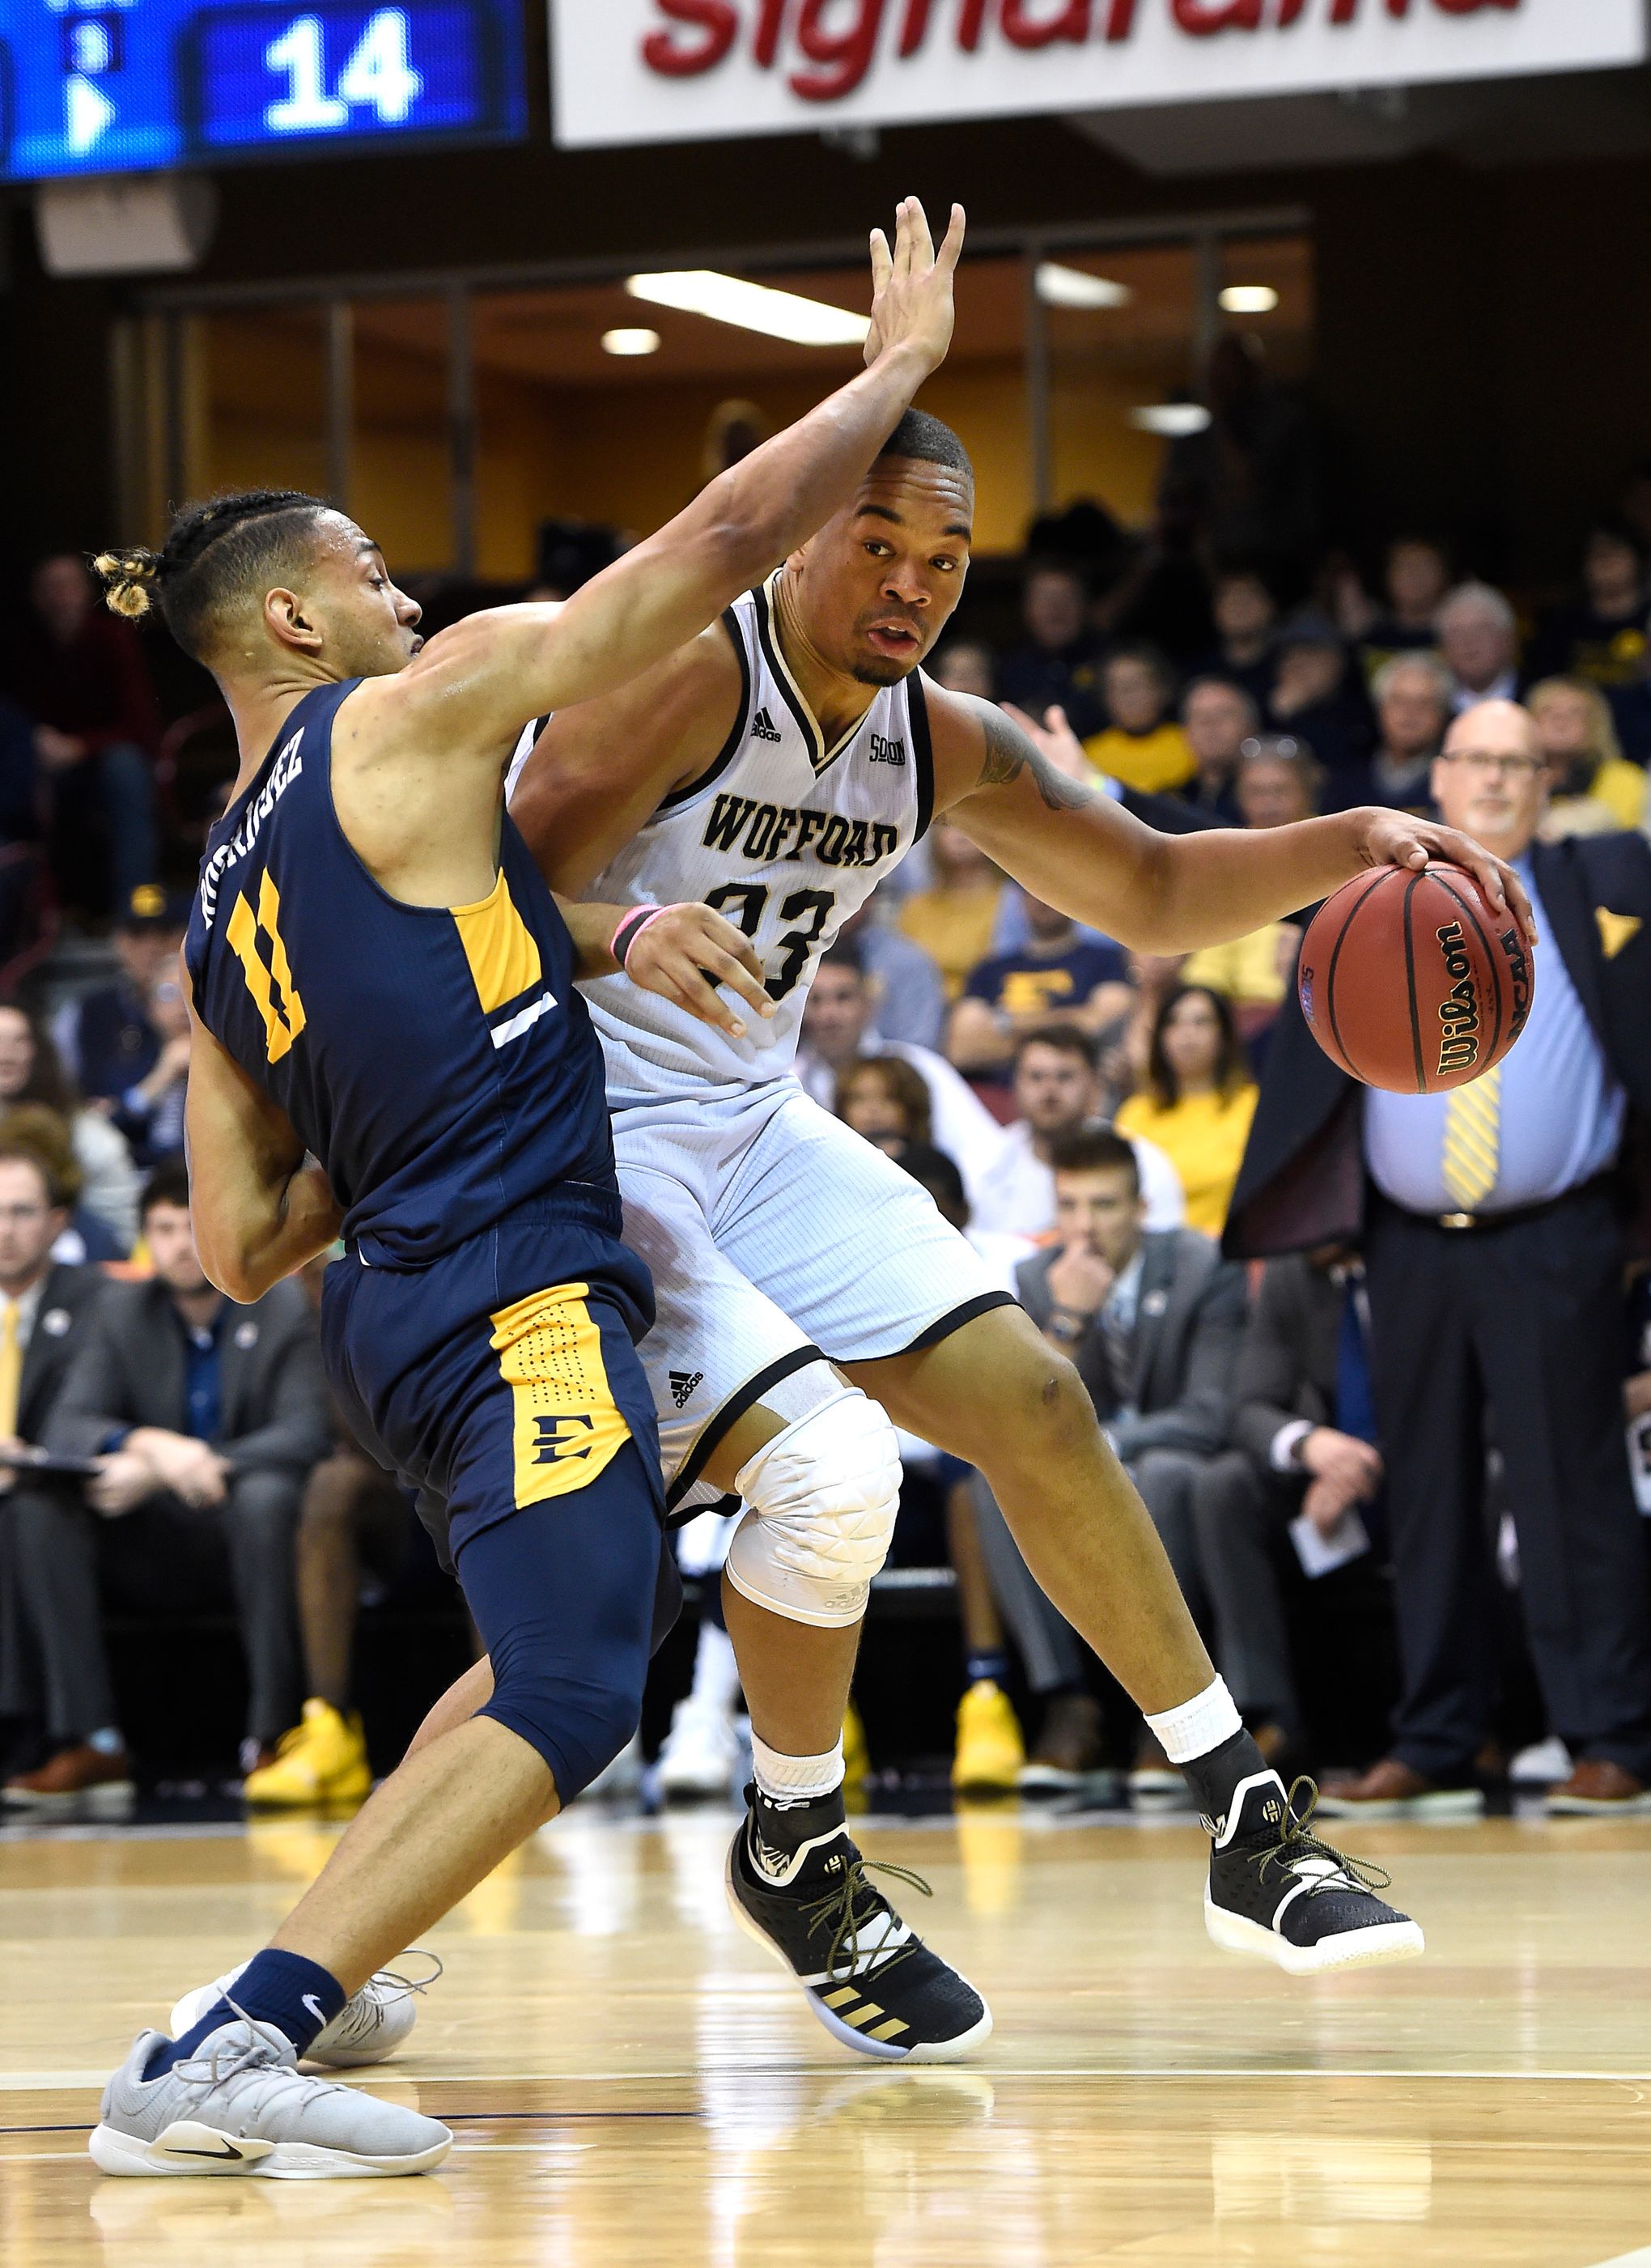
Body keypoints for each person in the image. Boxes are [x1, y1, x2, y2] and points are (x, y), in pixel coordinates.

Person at [87, 196, 974, 2174]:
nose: (408, 598)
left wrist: (579, 950)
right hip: (511, 1285)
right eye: (375, 574)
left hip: (390, 1312)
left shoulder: (222, 914)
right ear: (297, 624)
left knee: (529, 1652)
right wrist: (891, 374)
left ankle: (326, 1966)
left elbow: (239, 1243)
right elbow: (713, 559)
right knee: (579, 1679)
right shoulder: (401, 716)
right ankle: (226, 2050)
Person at [503, 404, 1518, 1998]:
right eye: (882, 545)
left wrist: (1354, 840)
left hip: (755, 1122)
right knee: (596, 1625)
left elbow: (1157, 887)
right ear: (798, 537)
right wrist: (620, 937)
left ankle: (1247, 1822)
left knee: (1035, 1398)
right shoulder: (689, 675)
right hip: (589, 1141)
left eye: (949, 559)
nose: (914, 585)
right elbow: (470, 908)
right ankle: (436, 1925)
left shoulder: (942, 741)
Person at [1227, 699, 1651, 1820]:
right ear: (1440, 776)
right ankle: (1438, 1736)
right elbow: (1238, 861)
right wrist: (1114, 801)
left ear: (1546, 780)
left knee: (1577, 1493)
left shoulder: (1597, 875)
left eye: (1521, 761)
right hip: (1406, 1244)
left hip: (1558, 1237)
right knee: (1426, 1495)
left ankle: (1605, 1734)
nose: (1499, 779)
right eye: (1478, 760)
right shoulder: (1383, 889)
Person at [6, 1163, 329, 1801]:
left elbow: (305, 1431)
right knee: (37, 1509)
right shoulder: (119, 1310)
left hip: (243, 1518)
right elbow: (69, 1424)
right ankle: (94, 1742)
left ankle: (269, 1738)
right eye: (165, 1229)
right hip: (149, 1534)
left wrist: (210, 1462)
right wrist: (153, 1453)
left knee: (268, 1498)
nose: (183, 1243)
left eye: (193, 1226)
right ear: (146, 1240)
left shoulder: (282, 1304)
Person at [967, 1130, 1247, 1795]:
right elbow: (1020, 1415)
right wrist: (1067, 1319)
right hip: (1097, 1463)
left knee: (1162, 1476)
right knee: (992, 1483)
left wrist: (1108, 1449)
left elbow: (1210, 1414)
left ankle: (1172, 1712)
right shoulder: (1038, 1281)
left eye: (1104, 1206)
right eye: (1069, 1207)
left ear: (1141, 1209)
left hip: (1178, 1463)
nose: (1085, 1227)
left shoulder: (1205, 1266)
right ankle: (1070, 1706)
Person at [1191, 1247, 1381, 1769]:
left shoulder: (1414, 1258)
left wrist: (1362, 1463)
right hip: (1324, 1474)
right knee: (1223, 1486)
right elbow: (1249, 1407)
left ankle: (1479, 1721)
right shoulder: (1290, 1269)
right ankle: (1268, 1716)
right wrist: (1311, 1446)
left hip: (1426, 1471)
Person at [0, 1145, 113, 1791]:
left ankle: (83, 1736)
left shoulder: (98, 1301)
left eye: (21, 1212)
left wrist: (27, 1463)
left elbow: (84, 1413)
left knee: (31, 1515)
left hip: (69, 1500)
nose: (5, 1230)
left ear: (57, 1223)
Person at [0, 552, 160, 918]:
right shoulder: (19, 645)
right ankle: (38, 920)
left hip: (105, 759)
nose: (61, 598)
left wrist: (80, 746)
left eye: (69, 587)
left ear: (85, 591)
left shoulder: (113, 639)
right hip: (39, 764)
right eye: (50, 589)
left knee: (127, 772)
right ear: (35, 596)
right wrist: (33, 742)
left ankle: (138, 915)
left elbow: (141, 725)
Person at [795, 943, 1007, 1201]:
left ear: (868, 1002)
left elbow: (985, 1154)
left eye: (843, 997)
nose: (829, 1014)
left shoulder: (918, 1065)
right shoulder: (787, 1078)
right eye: (815, 1000)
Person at [970, 1025, 1185, 1240]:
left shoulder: (1143, 1162)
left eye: (1065, 1077)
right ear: (1015, 1085)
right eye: (1036, 1077)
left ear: (1094, 1086)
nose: (1049, 1090)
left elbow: (1163, 1253)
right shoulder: (984, 1165)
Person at [1115, 986, 1258, 1237]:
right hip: (1154, 1256)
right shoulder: (1135, 1114)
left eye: (1201, 1022)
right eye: (1173, 1023)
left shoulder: (1252, 1106)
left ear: (1224, 1036)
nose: (1186, 1034)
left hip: (1229, 1251)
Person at [0, 1003, 140, 1253]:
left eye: (19, 1041)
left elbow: (122, 1225)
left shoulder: (85, 1132)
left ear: (38, 1051)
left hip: (84, 1258)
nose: (6, 1053)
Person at [947, 890, 1131, 1079]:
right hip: (997, 1091)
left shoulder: (1106, 961)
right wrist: (1073, 1019)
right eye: (1031, 891)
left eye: (1051, 889)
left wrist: (1006, 1023)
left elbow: (1106, 1025)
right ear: (1019, 902)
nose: (1042, 899)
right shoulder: (990, 969)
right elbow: (962, 1050)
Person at [1526, 521, 1651, 699]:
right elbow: (1544, 686)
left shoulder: (1648, 619)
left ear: (1639, 559)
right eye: (1597, 554)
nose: (1607, 562)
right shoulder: (1562, 623)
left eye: (1617, 551)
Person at [1526, 677, 1649, 839]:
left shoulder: (1623, 778)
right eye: (1548, 711)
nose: (1561, 722)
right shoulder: (1516, 778)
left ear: (1595, 725)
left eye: (1575, 712)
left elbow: (1623, 839)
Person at [896, 818, 1004, 998]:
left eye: (969, 824)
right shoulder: (916, 907)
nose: (960, 835)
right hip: (925, 1006)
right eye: (948, 826)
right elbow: (904, 970)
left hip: (988, 1004)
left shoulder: (1010, 900)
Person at [995, 562, 1104, 737]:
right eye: (1045, 598)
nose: (1056, 607)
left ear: (1084, 606)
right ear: (1027, 608)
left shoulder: (1107, 665)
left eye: (1066, 598)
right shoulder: (1005, 669)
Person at [1338, 653, 1451, 817]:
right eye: (1398, 701)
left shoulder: (1454, 783)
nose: (1410, 713)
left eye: (1424, 703)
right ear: (1380, 709)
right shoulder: (1346, 781)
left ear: (1442, 715)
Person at [1266, 616, 1375, 779]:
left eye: (1310, 654)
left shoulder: (1360, 712)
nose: (1297, 665)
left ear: (1337, 661)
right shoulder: (1269, 711)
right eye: (1289, 656)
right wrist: (1279, 717)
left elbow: (1340, 765)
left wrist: (1294, 718)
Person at [1081, 645, 1195, 794]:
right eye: (1118, 688)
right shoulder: (1089, 755)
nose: (1129, 699)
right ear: (1106, 697)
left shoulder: (1190, 744)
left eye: (1136, 686)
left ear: (1161, 690)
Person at [1354, 537, 1452, 678]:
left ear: (1444, 575)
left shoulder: (1460, 640)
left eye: (1425, 566)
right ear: (1388, 576)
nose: (1414, 575)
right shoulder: (1369, 642)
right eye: (1404, 566)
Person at [1191, 567, 1279, 711]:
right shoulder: (1198, 673)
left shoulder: (1288, 669)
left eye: (1248, 597)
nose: (1239, 606)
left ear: (1270, 606)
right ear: (1215, 611)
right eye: (1229, 598)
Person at [1179, 677, 1258, 825]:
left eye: (1223, 714)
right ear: (1185, 733)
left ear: (1250, 728)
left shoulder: (1266, 801)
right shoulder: (1172, 800)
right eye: (1199, 716)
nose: (1210, 724)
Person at [1437, 582, 1520, 712]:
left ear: (1507, 639)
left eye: (1480, 631)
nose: (1468, 642)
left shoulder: (1537, 701)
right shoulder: (1435, 708)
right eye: (1456, 633)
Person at [835, 1053, 932, 1153]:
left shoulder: (934, 1163)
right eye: (859, 1098)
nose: (873, 1108)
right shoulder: (829, 1160)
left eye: (888, 1097)